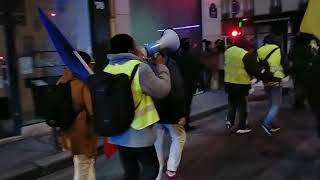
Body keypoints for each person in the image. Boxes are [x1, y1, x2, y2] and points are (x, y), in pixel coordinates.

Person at [106, 34, 171, 180]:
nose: (139, 47)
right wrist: (161, 66)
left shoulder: (109, 67)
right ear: (130, 49)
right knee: (151, 169)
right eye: (136, 45)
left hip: (118, 131)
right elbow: (163, 90)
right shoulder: (140, 68)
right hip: (138, 131)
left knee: (131, 171)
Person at [59, 51, 97, 180]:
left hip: (68, 129)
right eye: (89, 63)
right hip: (83, 130)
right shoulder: (82, 83)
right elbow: (92, 109)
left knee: (81, 162)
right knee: (84, 164)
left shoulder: (63, 79)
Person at [151, 53, 187, 180]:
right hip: (170, 111)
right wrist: (181, 113)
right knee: (179, 137)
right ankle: (171, 170)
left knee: (157, 142)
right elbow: (177, 90)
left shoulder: (148, 66)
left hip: (154, 112)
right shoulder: (170, 66)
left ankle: (157, 174)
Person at [258, 34, 289, 136]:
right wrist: (286, 74)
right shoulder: (278, 49)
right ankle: (267, 124)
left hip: (265, 80)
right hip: (276, 79)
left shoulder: (260, 50)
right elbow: (285, 64)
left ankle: (273, 125)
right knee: (276, 104)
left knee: (271, 103)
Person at [174, 38, 204, 130]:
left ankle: (178, 123)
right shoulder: (191, 57)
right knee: (187, 105)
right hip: (188, 85)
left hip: (178, 85)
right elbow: (197, 70)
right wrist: (199, 83)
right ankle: (185, 125)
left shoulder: (177, 57)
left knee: (180, 105)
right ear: (188, 46)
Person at [224, 37, 252, 134]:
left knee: (232, 103)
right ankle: (242, 126)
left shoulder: (227, 51)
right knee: (242, 105)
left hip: (228, 82)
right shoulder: (244, 54)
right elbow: (250, 68)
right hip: (241, 83)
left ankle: (229, 121)